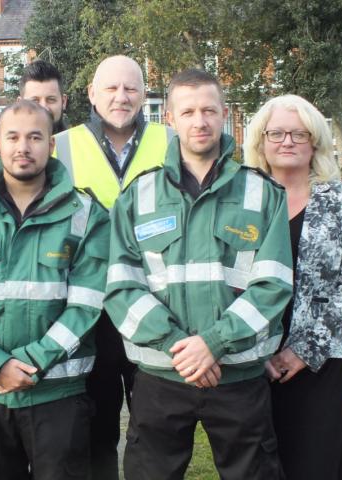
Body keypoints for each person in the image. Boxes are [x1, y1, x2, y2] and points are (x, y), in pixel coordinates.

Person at [104, 69, 293, 479]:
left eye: (209, 110)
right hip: (160, 376)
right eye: (187, 111)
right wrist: (182, 348)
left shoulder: (263, 193)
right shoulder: (138, 195)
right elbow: (121, 287)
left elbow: (273, 285)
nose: (199, 121)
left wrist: (213, 343)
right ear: (169, 119)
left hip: (238, 375)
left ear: (225, 114)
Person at [0, 100, 109, 480]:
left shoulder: (85, 214)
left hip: (58, 396)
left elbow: (87, 302)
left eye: (35, 137)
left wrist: (30, 363)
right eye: (12, 137)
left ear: (51, 145)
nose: (23, 147)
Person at [53, 54, 173, 479]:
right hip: (92, 308)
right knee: (96, 421)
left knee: (156, 423)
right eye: (111, 88)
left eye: (131, 88)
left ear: (144, 93)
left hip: (156, 303)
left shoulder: (171, 140)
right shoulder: (62, 145)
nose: (121, 97)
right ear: (91, 93)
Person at [243, 94, 342, 480]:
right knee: (259, 465)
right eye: (277, 133)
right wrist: (256, 350)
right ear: (261, 141)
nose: (287, 141)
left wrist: (304, 350)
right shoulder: (242, 201)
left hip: (322, 360)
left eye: (299, 134)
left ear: (314, 140)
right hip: (253, 360)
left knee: (317, 463)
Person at [0, 59, 68, 163]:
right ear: (20, 103)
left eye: (51, 100)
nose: (44, 107)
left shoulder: (79, 146)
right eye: (35, 101)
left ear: (63, 102)